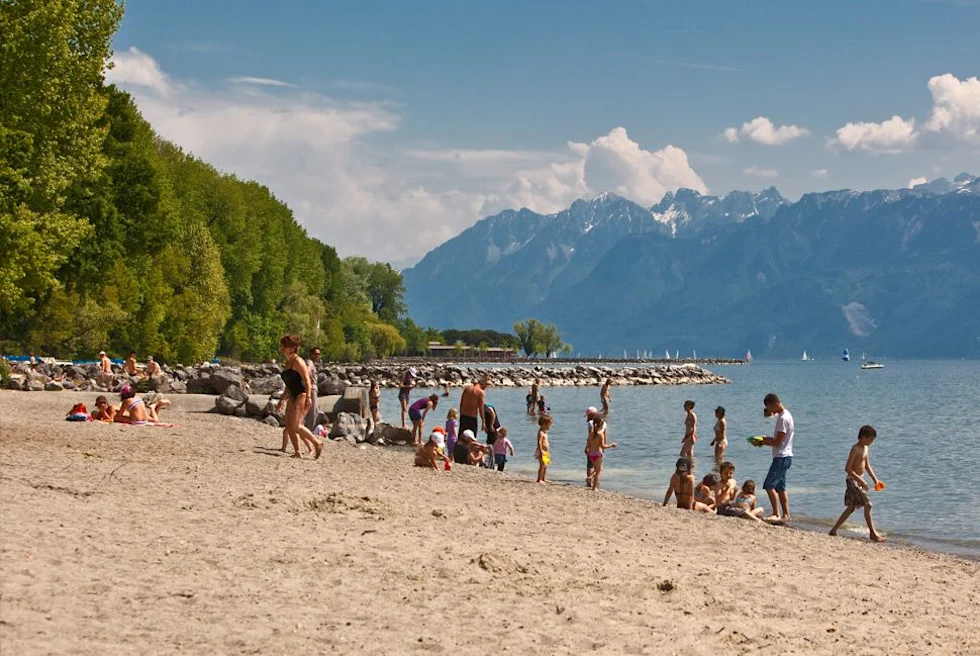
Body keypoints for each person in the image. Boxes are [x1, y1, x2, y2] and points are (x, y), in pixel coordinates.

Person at [830, 425, 885, 542]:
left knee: (851, 508)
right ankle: (873, 533)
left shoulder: (866, 449)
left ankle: (833, 530)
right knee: (868, 504)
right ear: (863, 438)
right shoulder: (855, 449)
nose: (872, 442)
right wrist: (861, 480)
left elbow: (867, 466)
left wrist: (875, 480)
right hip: (852, 481)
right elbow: (848, 468)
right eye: (871, 439)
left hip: (860, 480)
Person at [276, 334, 323, 459]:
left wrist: (308, 397)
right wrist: (282, 400)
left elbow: (307, 380)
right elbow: (289, 384)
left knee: (296, 425)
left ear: (292, 347)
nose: (282, 348)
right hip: (292, 395)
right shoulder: (288, 362)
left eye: (284, 346)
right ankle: (298, 452)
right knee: (290, 426)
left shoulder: (298, 361)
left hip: (301, 394)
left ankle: (317, 443)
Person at [757, 393, 794, 523]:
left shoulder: (783, 418)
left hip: (781, 457)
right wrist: (765, 439)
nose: (770, 411)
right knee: (780, 488)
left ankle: (776, 513)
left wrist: (762, 441)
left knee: (769, 485)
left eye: (769, 407)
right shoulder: (785, 415)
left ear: (774, 404)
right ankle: (786, 515)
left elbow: (778, 441)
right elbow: (779, 440)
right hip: (786, 456)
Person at [585, 414, 617, 490]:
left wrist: (587, 450)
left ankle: (590, 477)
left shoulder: (591, 434)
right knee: (598, 471)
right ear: (601, 425)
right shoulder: (601, 435)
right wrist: (611, 445)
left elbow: (588, 444)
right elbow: (602, 446)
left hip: (591, 454)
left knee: (598, 469)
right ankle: (594, 487)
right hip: (598, 454)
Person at [459, 376, 489, 440]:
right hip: (472, 418)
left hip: (463, 416)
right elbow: (481, 408)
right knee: (471, 439)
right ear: (483, 385)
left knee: (461, 437)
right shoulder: (480, 392)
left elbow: (461, 403)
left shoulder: (467, 389)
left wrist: (461, 414)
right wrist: (483, 422)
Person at [304, 346, 321, 432]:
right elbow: (306, 371)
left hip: (312, 389)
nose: (317, 356)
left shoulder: (312, 363)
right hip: (311, 389)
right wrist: (309, 380)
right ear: (311, 354)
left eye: (318, 354)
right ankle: (308, 431)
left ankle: (308, 430)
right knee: (312, 412)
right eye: (315, 354)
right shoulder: (309, 362)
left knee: (314, 411)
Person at [583, 406, 600, 486]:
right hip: (598, 445)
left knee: (589, 464)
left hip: (591, 445)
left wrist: (587, 446)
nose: (588, 417)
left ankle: (589, 480)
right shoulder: (600, 422)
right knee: (598, 464)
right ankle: (593, 479)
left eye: (588, 415)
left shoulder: (590, 423)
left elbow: (590, 435)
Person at [535, 414, 552, 483]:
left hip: (546, 451)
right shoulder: (541, 432)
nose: (550, 427)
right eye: (549, 425)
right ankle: (539, 479)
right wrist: (540, 450)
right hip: (541, 451)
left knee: (546, 465)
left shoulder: (545, 432)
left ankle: (544, 478)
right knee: (542, 465)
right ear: (544, 424)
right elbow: (539, 442)